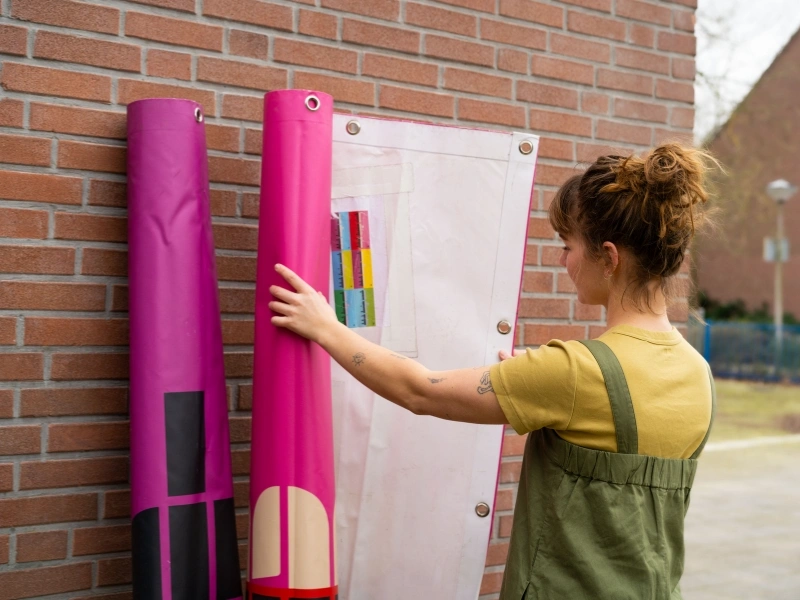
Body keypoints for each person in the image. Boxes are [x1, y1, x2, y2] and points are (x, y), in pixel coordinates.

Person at [268, 142, 716, 599]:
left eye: (568, 247)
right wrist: (546, 382)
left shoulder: (575, 373)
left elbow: (419, 390)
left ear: (609, 256)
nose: (565, 262)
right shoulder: (698, 374)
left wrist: (325, 327)